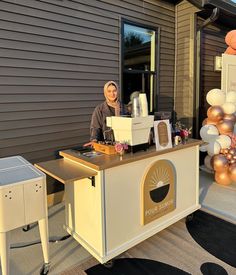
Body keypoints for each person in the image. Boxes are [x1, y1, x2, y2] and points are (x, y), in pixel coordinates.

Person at [84, 80, 125, 146]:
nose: (112, 94)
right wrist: (94, 140)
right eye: (109, 91)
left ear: (118, 92)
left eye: (114, 91)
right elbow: (95, 127)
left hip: (123, 145)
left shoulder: (124, 108)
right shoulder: (99, 109)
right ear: (105, 93)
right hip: (106, 146)